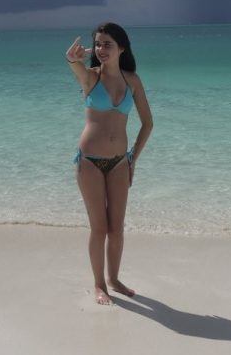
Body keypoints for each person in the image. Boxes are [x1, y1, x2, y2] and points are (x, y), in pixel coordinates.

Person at [66, 23, 153, 305]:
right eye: (98, 44)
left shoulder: (133, 81)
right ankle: (99, 284)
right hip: (89, 162)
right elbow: (76, 67)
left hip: (119, 163)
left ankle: (114, 279)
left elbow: (148, 123)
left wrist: (132, 159)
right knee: (99, 228)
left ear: (122, 48)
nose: (101, 49)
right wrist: (72, 59)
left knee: (117, 228)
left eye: (107, 44)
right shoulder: (91, 77)